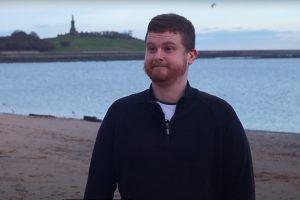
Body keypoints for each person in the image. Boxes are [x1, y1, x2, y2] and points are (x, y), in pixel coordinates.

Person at [84, 13, 255, 200]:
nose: (158, 56)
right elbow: (97, 188)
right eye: (151, 49)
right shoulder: (120, 114)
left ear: (191, 56)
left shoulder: (220, 116)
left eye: (168, 48)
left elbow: (241, 190)